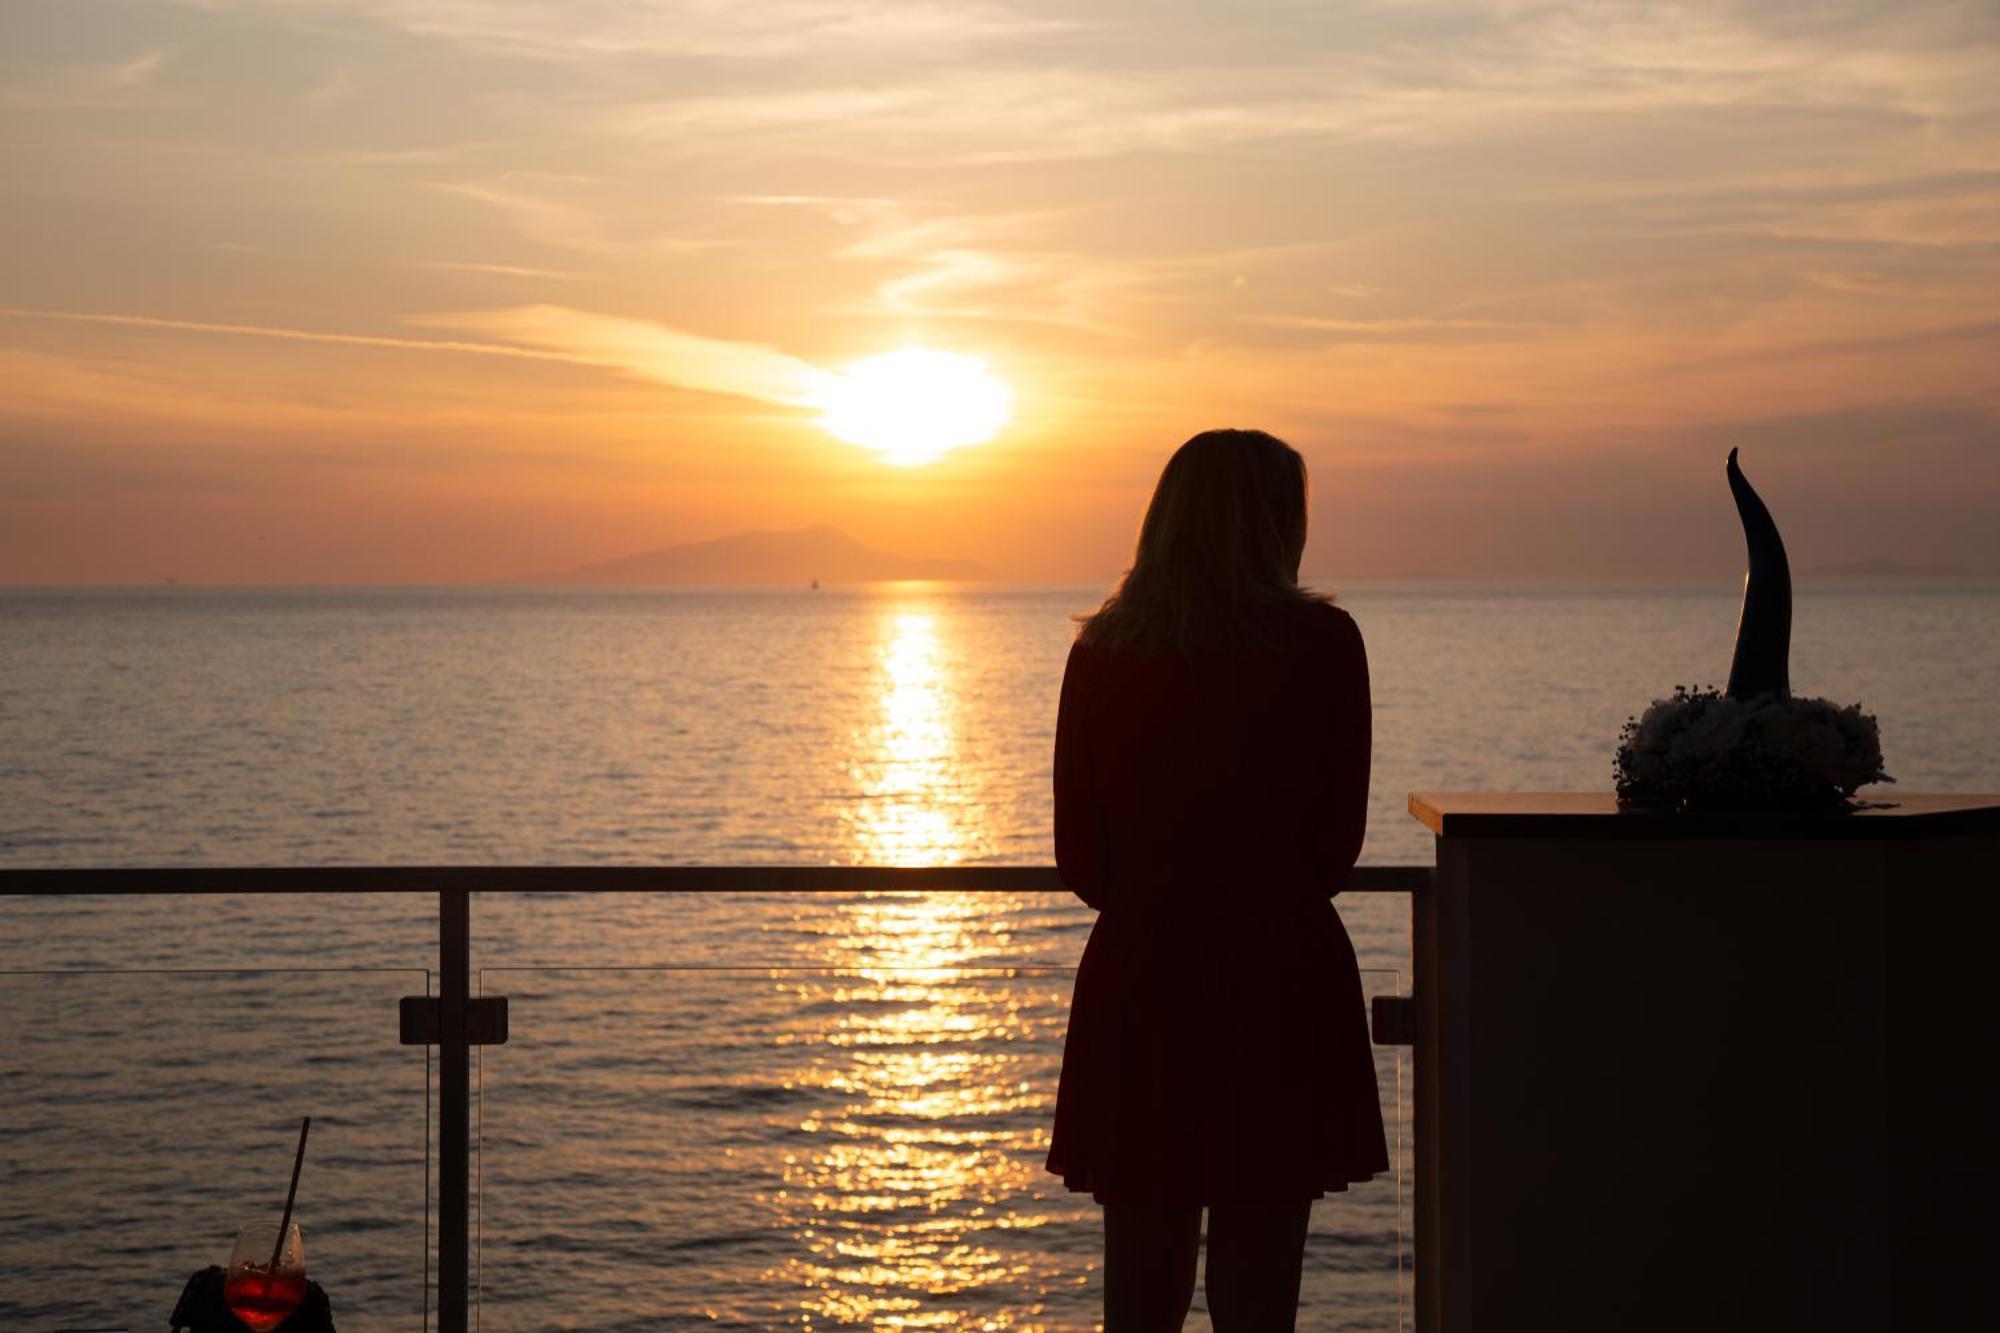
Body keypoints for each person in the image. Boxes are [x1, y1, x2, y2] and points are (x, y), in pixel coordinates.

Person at [1045, 428, 1387, 1331]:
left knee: (1140, 1300)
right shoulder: (1324, 644)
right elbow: (1336, 847)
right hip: (1278, 977)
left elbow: (1080, 858)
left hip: (1145, 980)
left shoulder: (1102, 652)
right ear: (1277, 525)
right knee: (1260, 1299)